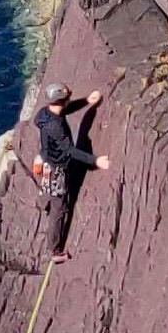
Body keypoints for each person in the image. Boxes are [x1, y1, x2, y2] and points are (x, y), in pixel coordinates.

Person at [26, 80, 104, 257]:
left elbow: (65, 109)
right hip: (56, 169)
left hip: (47, 161)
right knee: (59, 209)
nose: (69, 100)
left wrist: (86, 101)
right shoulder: (55, 126)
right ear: (61, 100)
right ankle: (54, 250)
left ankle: (45, 201)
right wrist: (95, 160)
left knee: (53, 198)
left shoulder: (46, 114)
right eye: (67, 98)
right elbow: (69, 150)